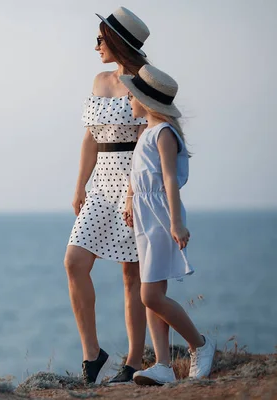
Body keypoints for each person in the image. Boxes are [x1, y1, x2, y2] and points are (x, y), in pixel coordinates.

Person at [65, 6, 150, 384]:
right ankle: (92, 354)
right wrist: (79, 185)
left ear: (117, 42)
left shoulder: (146, 82)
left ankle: (133, 362)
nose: (96, 45)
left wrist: (134, 191)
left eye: (100, 38)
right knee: (74, 261)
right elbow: (89, 137)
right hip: (100, 184)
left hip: (135, 185)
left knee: (131, 277)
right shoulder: (99, 81)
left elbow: (149, 142)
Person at [120, 64, 217, 385]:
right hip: (146, 218)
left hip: (161, 217)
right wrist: (131, 198)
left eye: (131, 96)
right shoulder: (146, 132)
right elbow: (138, 176)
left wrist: (176, 223)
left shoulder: (163, 133)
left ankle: (199, 345)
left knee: (149, 295)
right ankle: (162, 364)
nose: (128, 100)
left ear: (146, 101)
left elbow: (170, 180)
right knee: (152, 286)